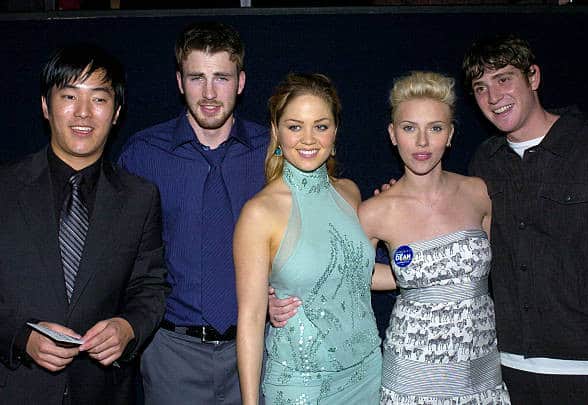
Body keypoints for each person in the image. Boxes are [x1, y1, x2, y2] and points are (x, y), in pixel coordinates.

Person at [0, 44, 169, 404]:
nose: (83, 112)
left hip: (102, 391)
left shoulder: (139, 197)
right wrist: (20, 337)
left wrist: (127, 328)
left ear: (117, 112)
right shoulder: (5, 188)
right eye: (69, 96)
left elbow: (150, 288)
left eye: (99, 99)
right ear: (45, 106)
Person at [118, 22, 268, 404]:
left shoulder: (273, 152)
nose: (210, 93)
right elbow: (116, 253)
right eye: (197, 78)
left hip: (259, 349)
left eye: (222, 78)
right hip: (171, 355)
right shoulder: (143, 155)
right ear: (180, 82)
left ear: (241, 82)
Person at [463, 34, 588, 403]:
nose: (493, 97)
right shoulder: (485, 162)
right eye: (481, 87)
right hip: (508, 367)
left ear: (533, 77)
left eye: (504, 79)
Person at [359, 71, 509, 403]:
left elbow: (508, 266)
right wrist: (411, 276)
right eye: (409, 128)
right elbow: (353, 278)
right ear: (393, 134)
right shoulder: (373, 212)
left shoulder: (478, 192)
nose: (422, 142)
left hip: (481, 372)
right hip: (412, 377)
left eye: (435, 128)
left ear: (451, 134)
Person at [234, 73, 382, 404]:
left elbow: (356, 275)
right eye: (295, 126)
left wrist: (426, 265)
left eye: (321, 126)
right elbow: (251, 319)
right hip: (301, 386)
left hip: (369, 375)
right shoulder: (259, 213)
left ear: (335, 131)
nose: (309, 139)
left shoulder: (350, 193)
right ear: (276, 131)